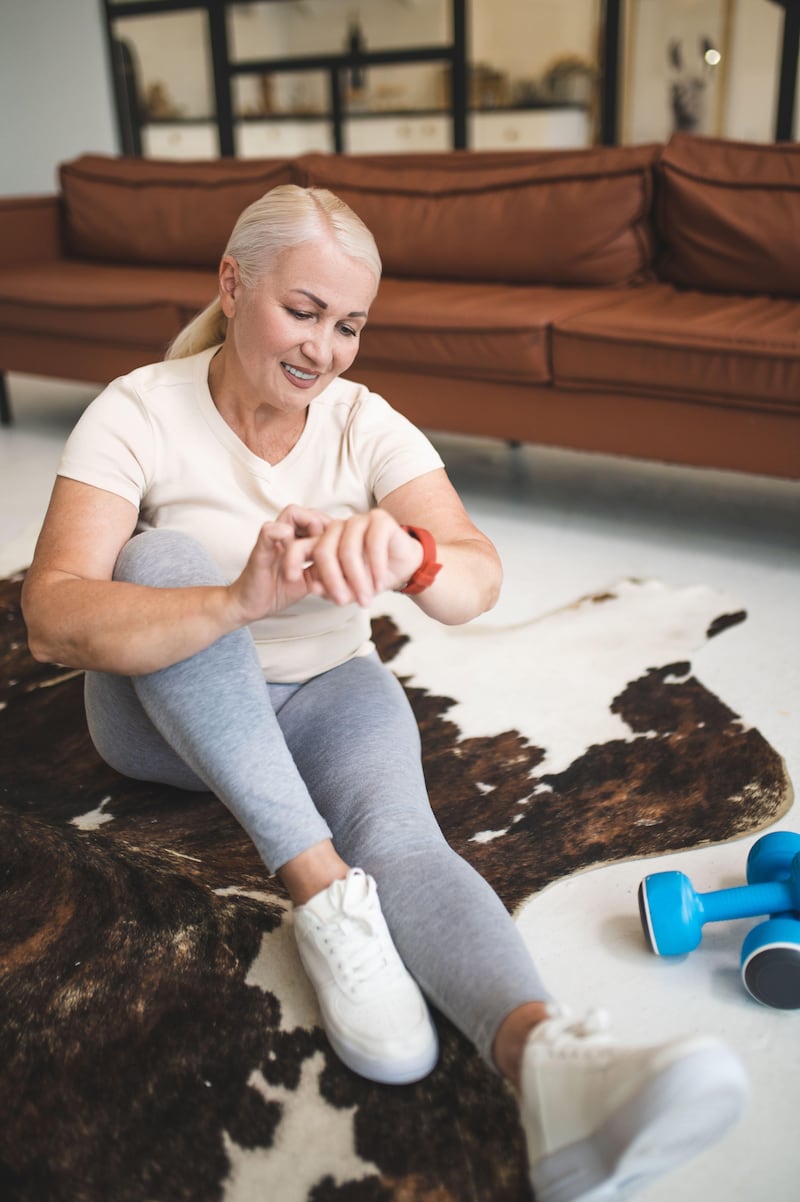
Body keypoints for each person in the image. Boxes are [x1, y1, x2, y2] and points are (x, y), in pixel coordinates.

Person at [21, 183, 748, 1201]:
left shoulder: (365, 423)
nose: (325, 348)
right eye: (303, 311)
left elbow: (474, 574)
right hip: (158, 720)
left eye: (350, 323)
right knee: (160, 557)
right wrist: (234, 598)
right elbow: (53, 615)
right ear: (232, 286)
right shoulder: (139, 407)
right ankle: (319, 889)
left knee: (405, 837)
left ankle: (550, 1064)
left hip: (325, 687)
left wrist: (407, 553)